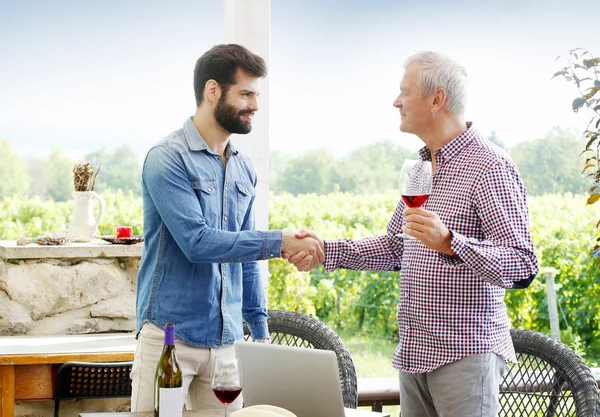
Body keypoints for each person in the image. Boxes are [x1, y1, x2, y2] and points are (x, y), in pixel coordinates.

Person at [286, 51, 538, 417]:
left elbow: (522, 264)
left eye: (404, 92)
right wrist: (327, 249)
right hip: (415, 352)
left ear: (437, 99)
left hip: (465, 353)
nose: (395, 101)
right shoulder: (420, 167)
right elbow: (394, 248)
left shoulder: (490, 166)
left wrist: (452, 243)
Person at [131, 44, 323, 413]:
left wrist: (259, 330)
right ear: (213, 90)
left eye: (257, 95)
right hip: (170, 339)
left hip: (227, 344)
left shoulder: (243, 167)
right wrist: (278, 240)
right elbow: (198, 243)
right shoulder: (167, 159)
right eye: (246, 94)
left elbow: (246, 258)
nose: (255, 105)